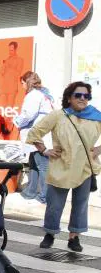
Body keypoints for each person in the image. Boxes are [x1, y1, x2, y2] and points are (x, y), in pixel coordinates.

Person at [26, 82, 100, 253]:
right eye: (78, 95)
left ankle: (74, 237)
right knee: (54, 205)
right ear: (69, 97)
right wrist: (44, 150)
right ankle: (50, 234)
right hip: (61, 167)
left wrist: (98, 149)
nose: (83, 99)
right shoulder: (58, 115)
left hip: (85, 168)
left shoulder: (96, 116)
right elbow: (35, 132)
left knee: (80, 205)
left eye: (86, 96)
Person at [15, 72, 55, 204]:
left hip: (38, 135)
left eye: (22, 83)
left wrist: (16, 121)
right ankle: (30, 191)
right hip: (40, 134)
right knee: (33, 163)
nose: (21, 86)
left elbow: (28, 115)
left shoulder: (34, 96)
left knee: (42, 165)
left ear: (27, 82)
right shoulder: (44, 94)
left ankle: (44, 195)